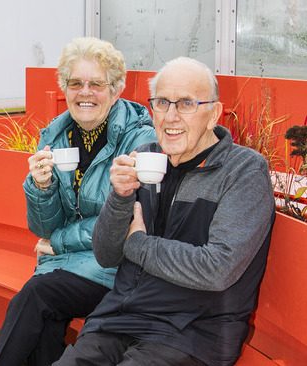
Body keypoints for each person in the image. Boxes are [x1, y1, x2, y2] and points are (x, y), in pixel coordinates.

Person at [52, 57, 276, 366]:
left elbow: (218, 269)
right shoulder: (146, 157)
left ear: (212, 115)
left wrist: (139, 244)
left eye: (185, 104)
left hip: (193, 332)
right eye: (161, 103)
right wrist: (120, 196)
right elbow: (105, 254)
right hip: (120, 319)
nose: (170, 117)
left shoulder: (243, 171)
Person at [0, 37, 157, 366]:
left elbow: (125, 217)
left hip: (114, 268)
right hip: (62, 268)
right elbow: (43, 227)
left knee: (35, 297)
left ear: (116, 89)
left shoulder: (139, 138)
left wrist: (60, 242)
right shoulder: (55, 134)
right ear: (64, 88)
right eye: (76, 82)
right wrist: (42, 185)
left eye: (96, 83)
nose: (85, 92)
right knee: (46, 322)